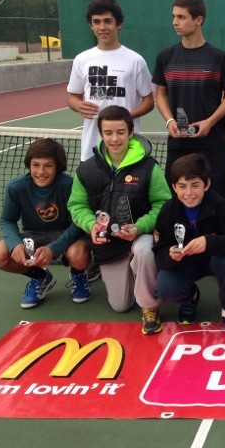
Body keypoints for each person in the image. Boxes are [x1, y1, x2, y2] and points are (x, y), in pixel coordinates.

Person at [68, 105, 171, 333]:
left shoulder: (148, 167)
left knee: (144, 250)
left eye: (120, 132)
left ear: (131, 132)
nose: (115, 139)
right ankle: (135, 275)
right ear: (101, 134)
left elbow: (164, 204)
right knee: (120, 305)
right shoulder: (86, 170)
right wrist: (91, 224)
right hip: (110, 244)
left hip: (140, 236)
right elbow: (77, 205)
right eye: (108, 133)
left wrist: (140, 226)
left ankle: (149, 306)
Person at [153, 153, 225, 341]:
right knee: (165, 288)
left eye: (195, 185)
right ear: (174, 187)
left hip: (216, 259)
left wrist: (209, 242)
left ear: (206, 184)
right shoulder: (168, 211)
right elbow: (158, 252)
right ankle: (189, 298)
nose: (189, 193)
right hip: (186, 263)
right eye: (182, 186)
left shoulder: (218, 204)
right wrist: (169, 256)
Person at [153, 0, 225, 202]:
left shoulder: (219, 58)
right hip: (178, 144)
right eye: (174, 16)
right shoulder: (166, 56)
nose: (175, 22)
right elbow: (160, 93)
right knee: (179, 201)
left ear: (198, 20)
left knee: (217, 200)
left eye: (181, 17)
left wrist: (210, 122)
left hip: (212, 143)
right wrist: (170, 120)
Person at [0, 138, 91, 309]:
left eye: (48, 165)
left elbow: (78, 223)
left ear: (57, 167)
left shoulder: (69, 185)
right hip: (34, 234)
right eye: (36, 165)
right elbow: (7, 220)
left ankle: (79, 275)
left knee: (78, 256)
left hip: (66, 233)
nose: (41, 171)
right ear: (29, 165)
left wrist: (53, 249)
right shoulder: (16, 187)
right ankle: (40, 277)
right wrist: (15, 245)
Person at [66, 0, 155, 162]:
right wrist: (78, 105)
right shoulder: (81, 59)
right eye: (97, 22)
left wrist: (127, 116)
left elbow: (149, 101)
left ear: (118, 24)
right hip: (91, 149)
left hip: (127, 149)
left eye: (107, 21)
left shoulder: (135, 60)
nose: (102, 27)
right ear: (91, 25)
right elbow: (72, 97)